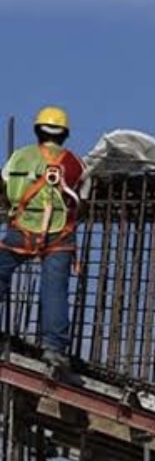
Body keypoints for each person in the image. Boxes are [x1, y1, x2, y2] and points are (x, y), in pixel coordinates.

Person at [0, 106, 87, 386]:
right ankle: (54, 350)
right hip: (59, 236)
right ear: (65, 134)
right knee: (54, 290)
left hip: (21, 231)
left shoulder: (19, 157)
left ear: (37, 130)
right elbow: (81, 200)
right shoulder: (75, 163)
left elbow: (5, 189)